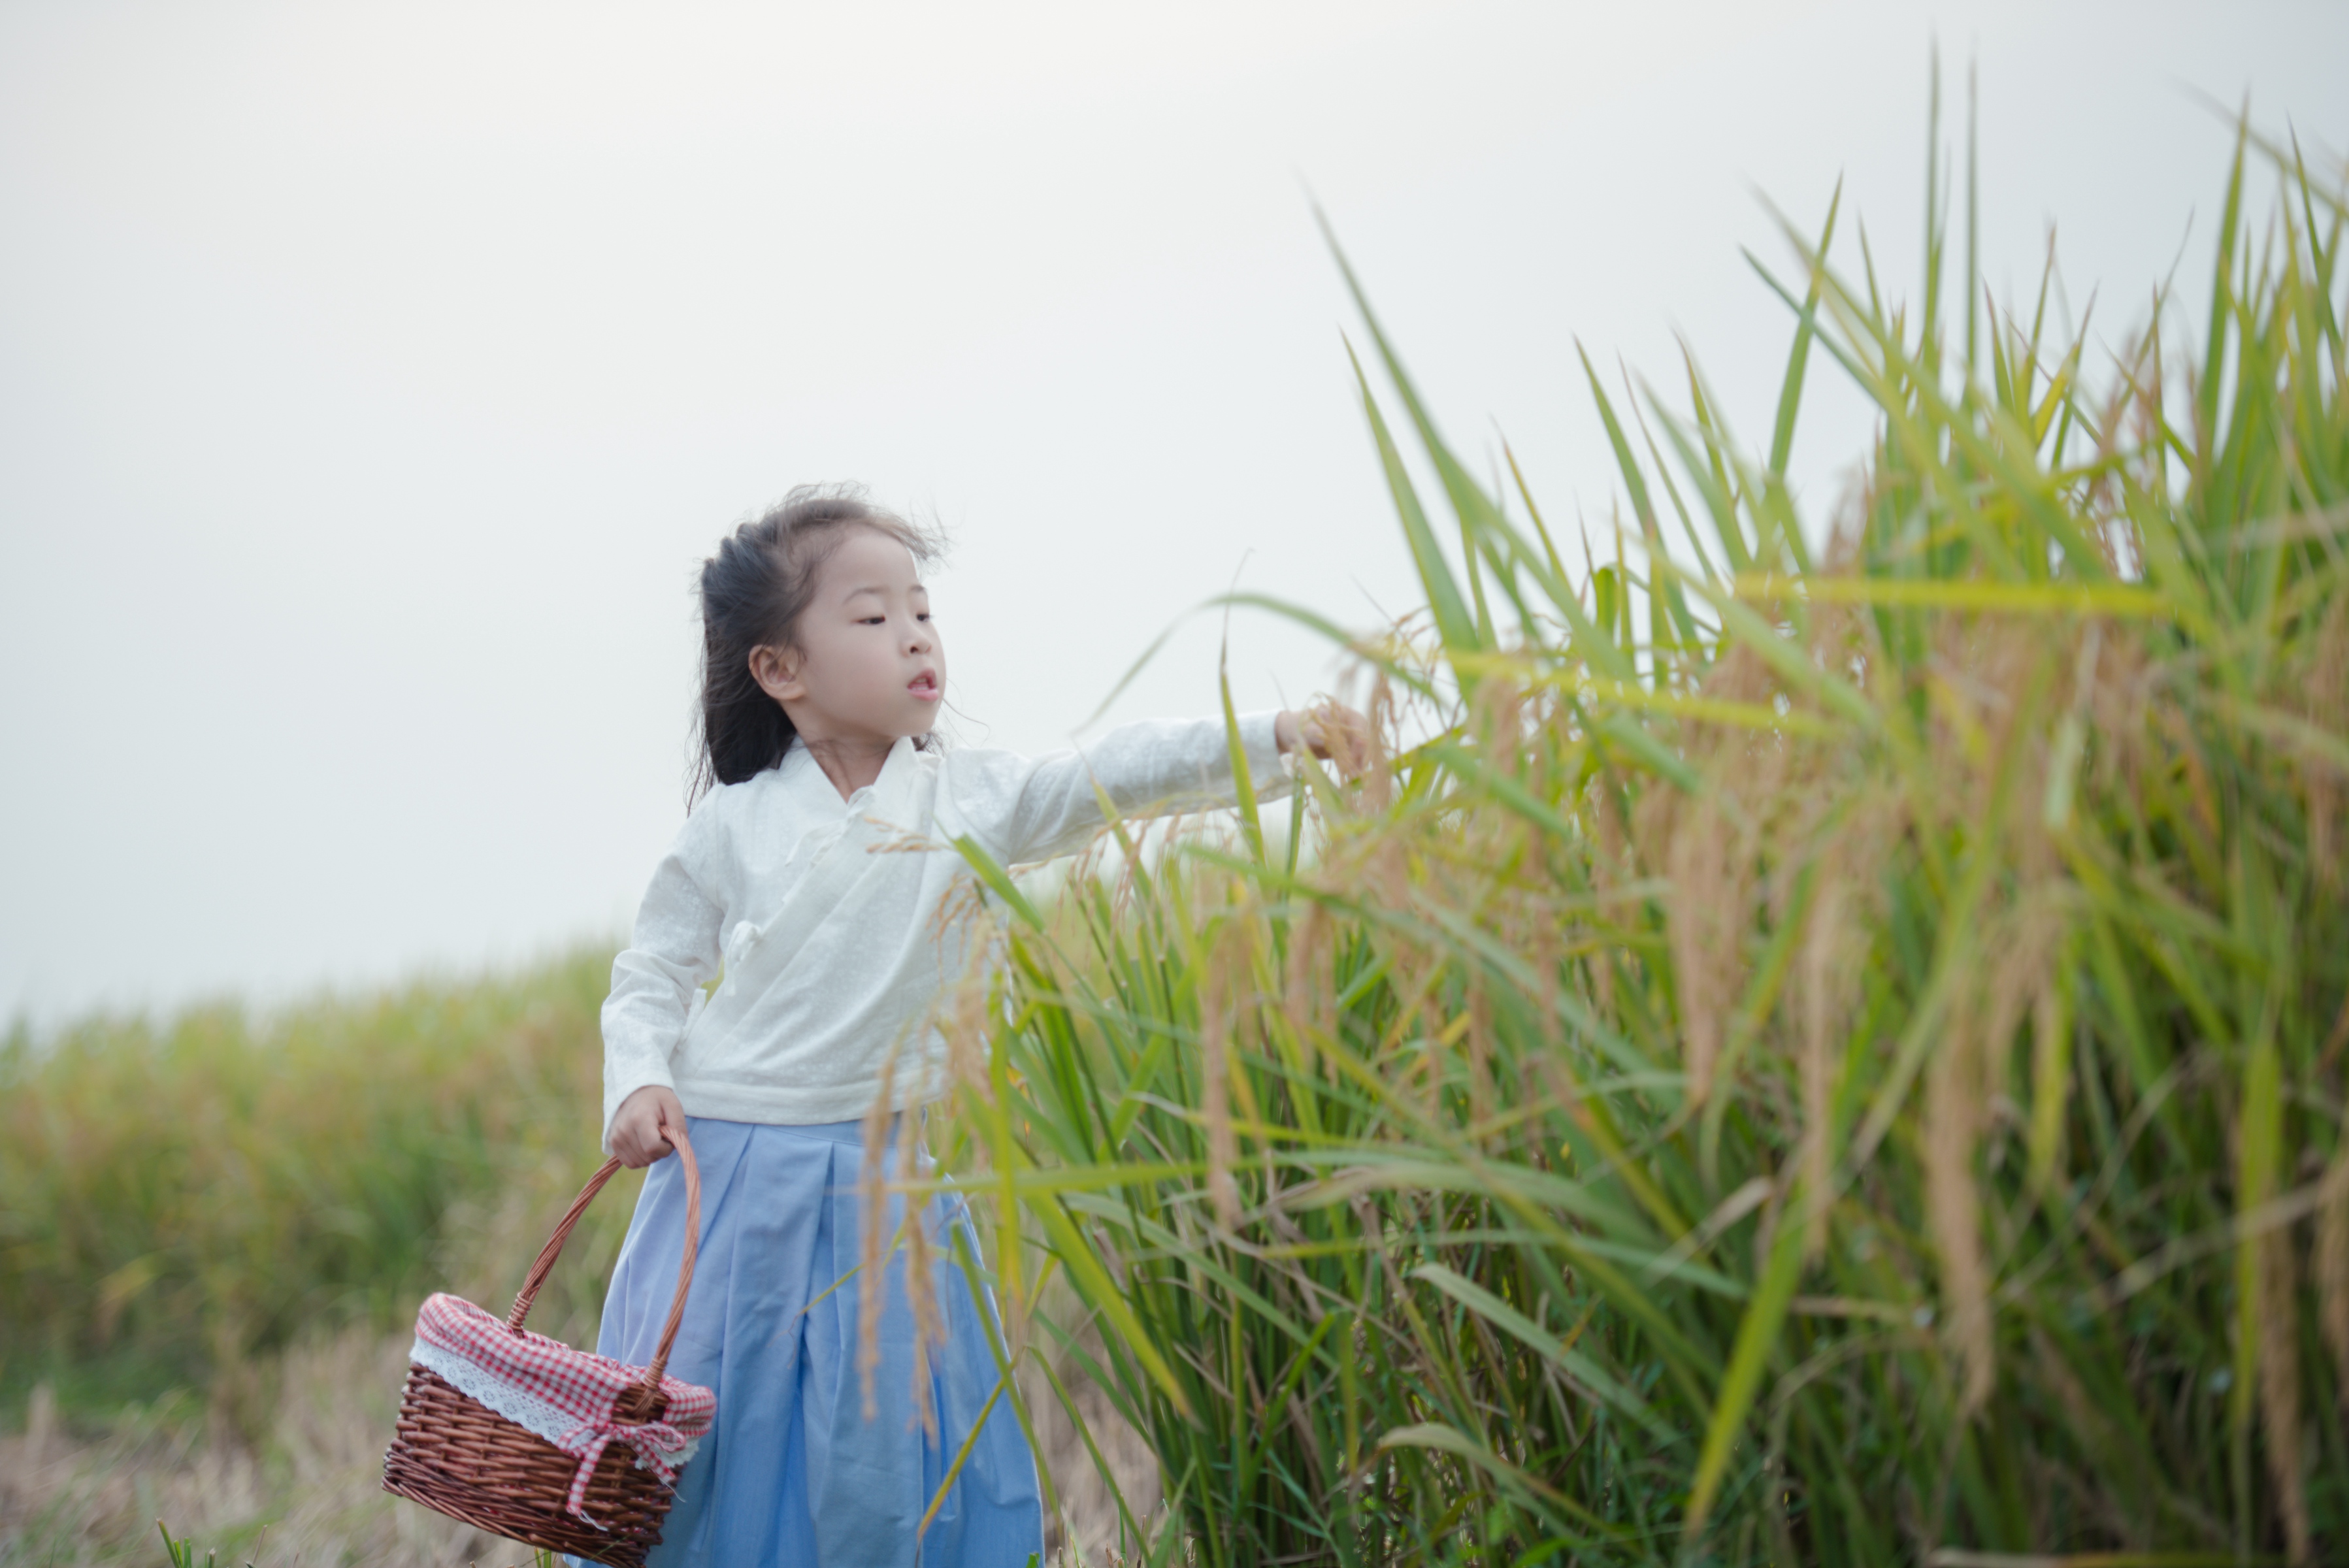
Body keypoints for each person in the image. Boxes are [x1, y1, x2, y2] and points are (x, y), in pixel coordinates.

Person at [585, 483, 1368, 1567]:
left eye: (921, 610)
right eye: (872, 617)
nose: (914, 635)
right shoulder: (735, 824)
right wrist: (638, 1079)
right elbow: (654, 974)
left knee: (882, 1463)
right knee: (713, 1444)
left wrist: (1278, 737)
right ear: (781, 669)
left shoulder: (970, 798)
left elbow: (1110, 771)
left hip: (888, 1181)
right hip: (729, 1175)